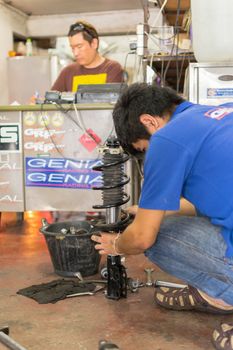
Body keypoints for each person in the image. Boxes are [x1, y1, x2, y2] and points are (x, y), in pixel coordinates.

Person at [91, 83, 233, 350]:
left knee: (158, 237)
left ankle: (225, 292)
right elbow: (215, 200)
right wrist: (152, 210)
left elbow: (143, 238)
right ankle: (219, 296)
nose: (148, 154)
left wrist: (118, 244)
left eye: (142, 149)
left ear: (149, 121)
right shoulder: (219, 114)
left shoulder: (167, 138)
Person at [51, 20, 124, 92]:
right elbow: (50, 101)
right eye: (72, 48)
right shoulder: (67, 72)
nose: (75, 53)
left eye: (79, 46)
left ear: (94, 43)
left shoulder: (112, 69)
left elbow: (113, 101)